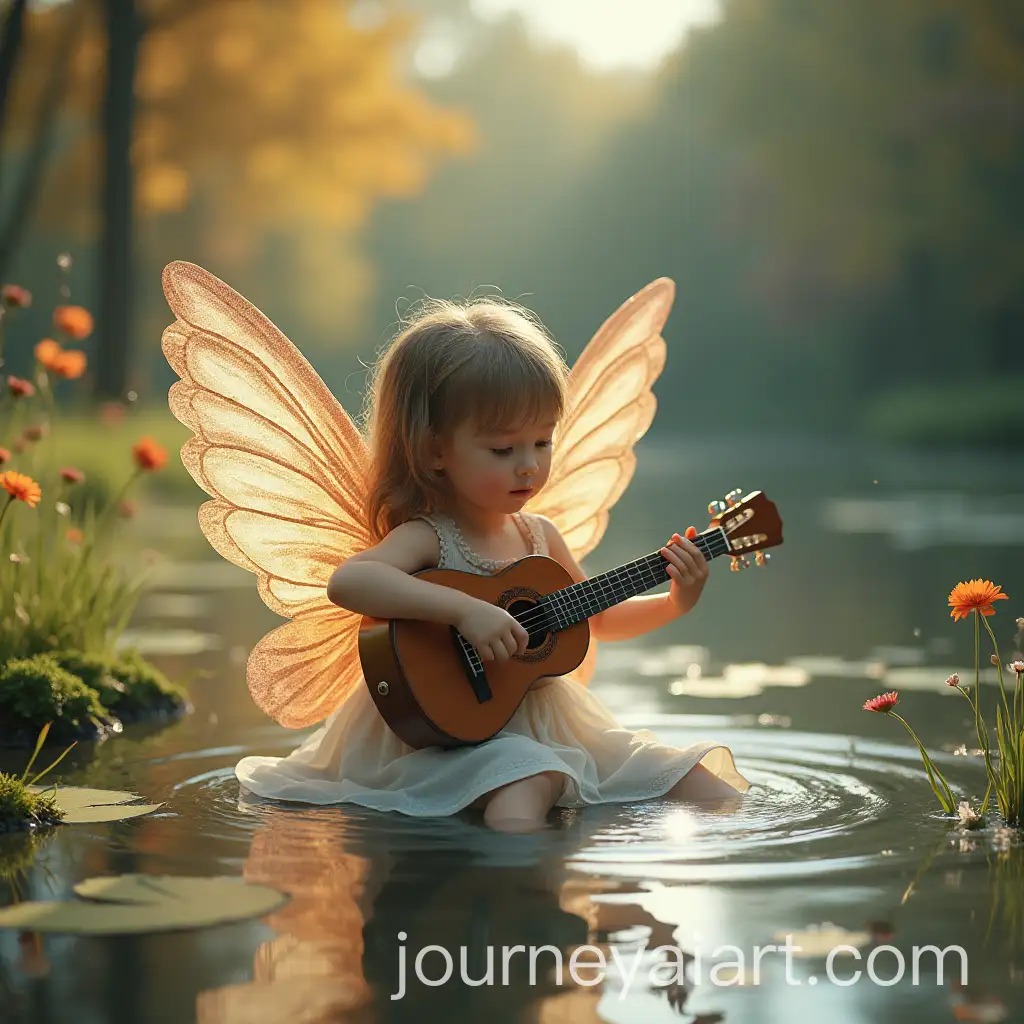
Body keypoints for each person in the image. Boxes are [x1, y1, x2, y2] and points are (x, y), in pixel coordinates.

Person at [160, 262, 750, 834]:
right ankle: (513, 903)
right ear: (436, 450)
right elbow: (350, 582)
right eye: (502, 450)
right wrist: (465, 609)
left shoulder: (540, 536)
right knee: (528, 786)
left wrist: (677, 600)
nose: (529, 465)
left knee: (694, 778)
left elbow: (594, 619)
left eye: (542, 442)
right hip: (442, 727)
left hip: (545, 720)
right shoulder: (428, 535)